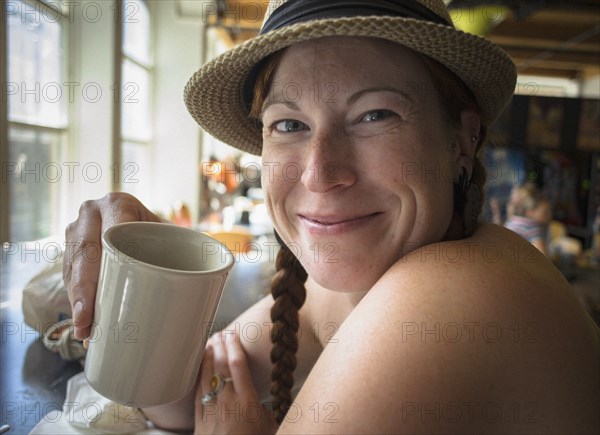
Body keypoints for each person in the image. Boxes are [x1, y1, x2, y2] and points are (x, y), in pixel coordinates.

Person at [64, 0, 600, 433]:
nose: (320, 173)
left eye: (375, 114)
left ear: (462, 139)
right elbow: (180, 400)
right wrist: (148, 261)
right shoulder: (340, 293)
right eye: (289, 124)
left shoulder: (458, 292)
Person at [504, 183, 552, 256]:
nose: (549, 216)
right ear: (530, 211)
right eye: (545, 213)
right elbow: (544, 256)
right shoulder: (532, 228)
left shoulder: (512, 220)